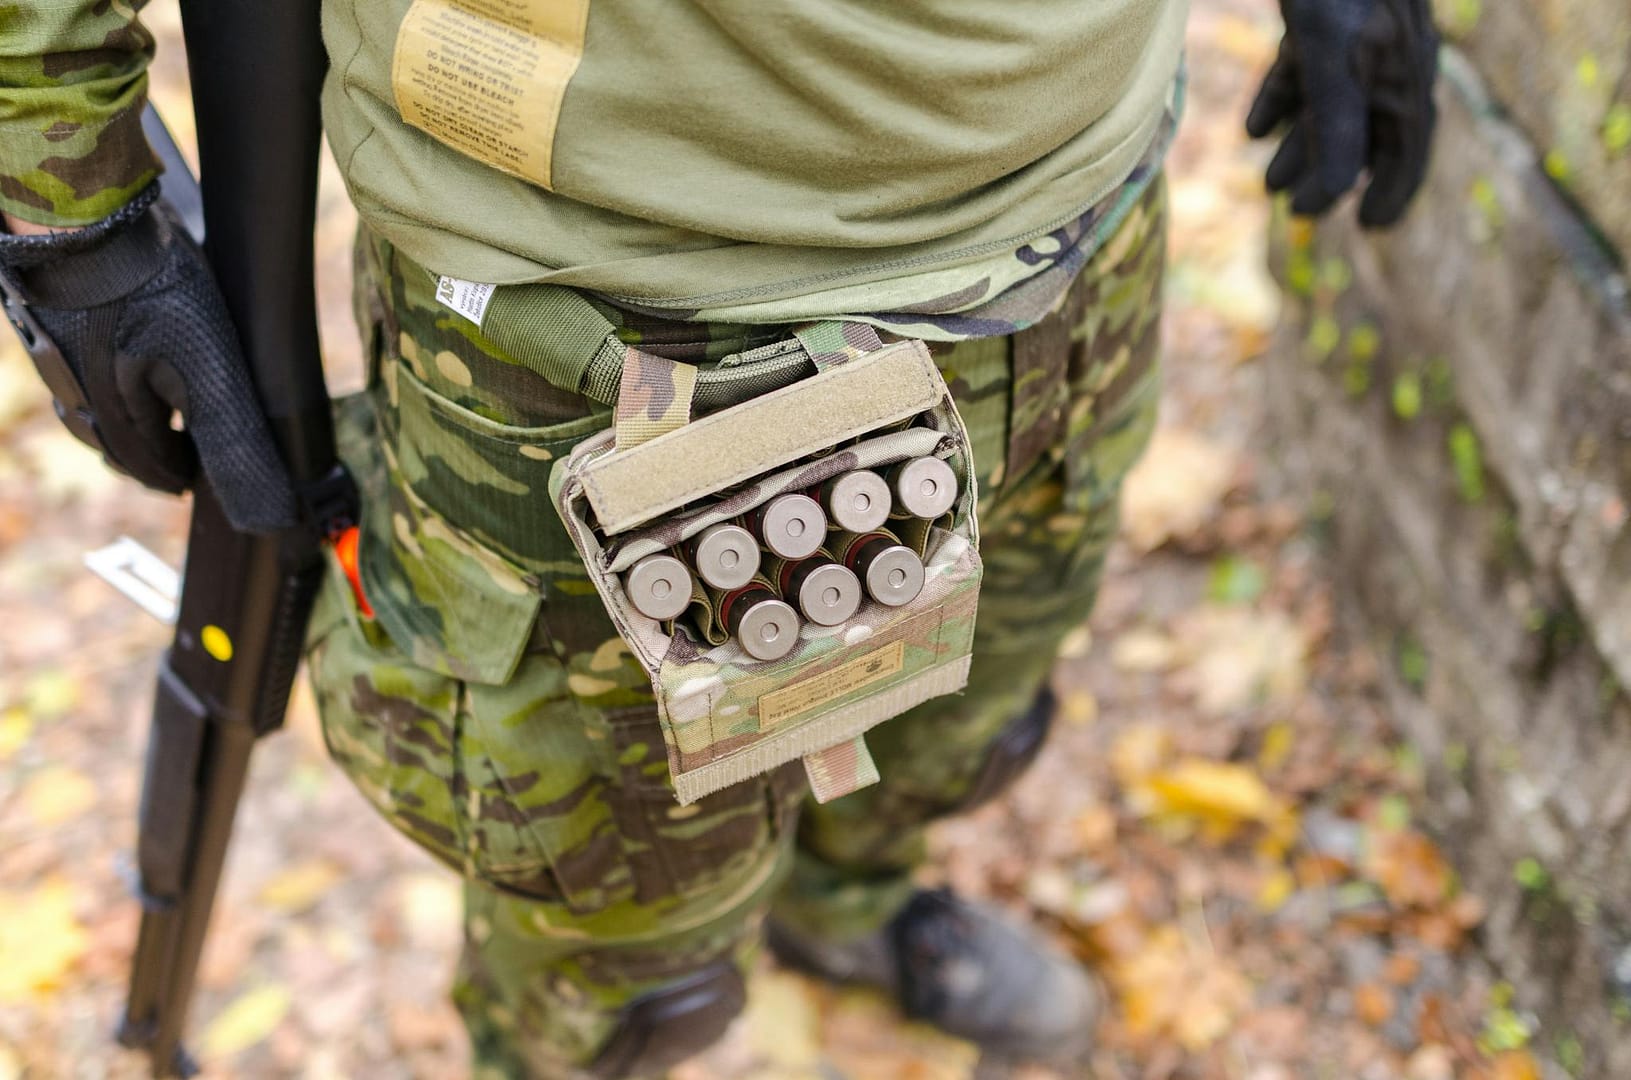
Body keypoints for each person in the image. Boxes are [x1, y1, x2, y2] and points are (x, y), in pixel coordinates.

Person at [0, 1, 1438, 1075]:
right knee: (620, 957)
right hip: (615, 316)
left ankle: (850, 902)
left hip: (1076, 208)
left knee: (968, 723)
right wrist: (67, 190)